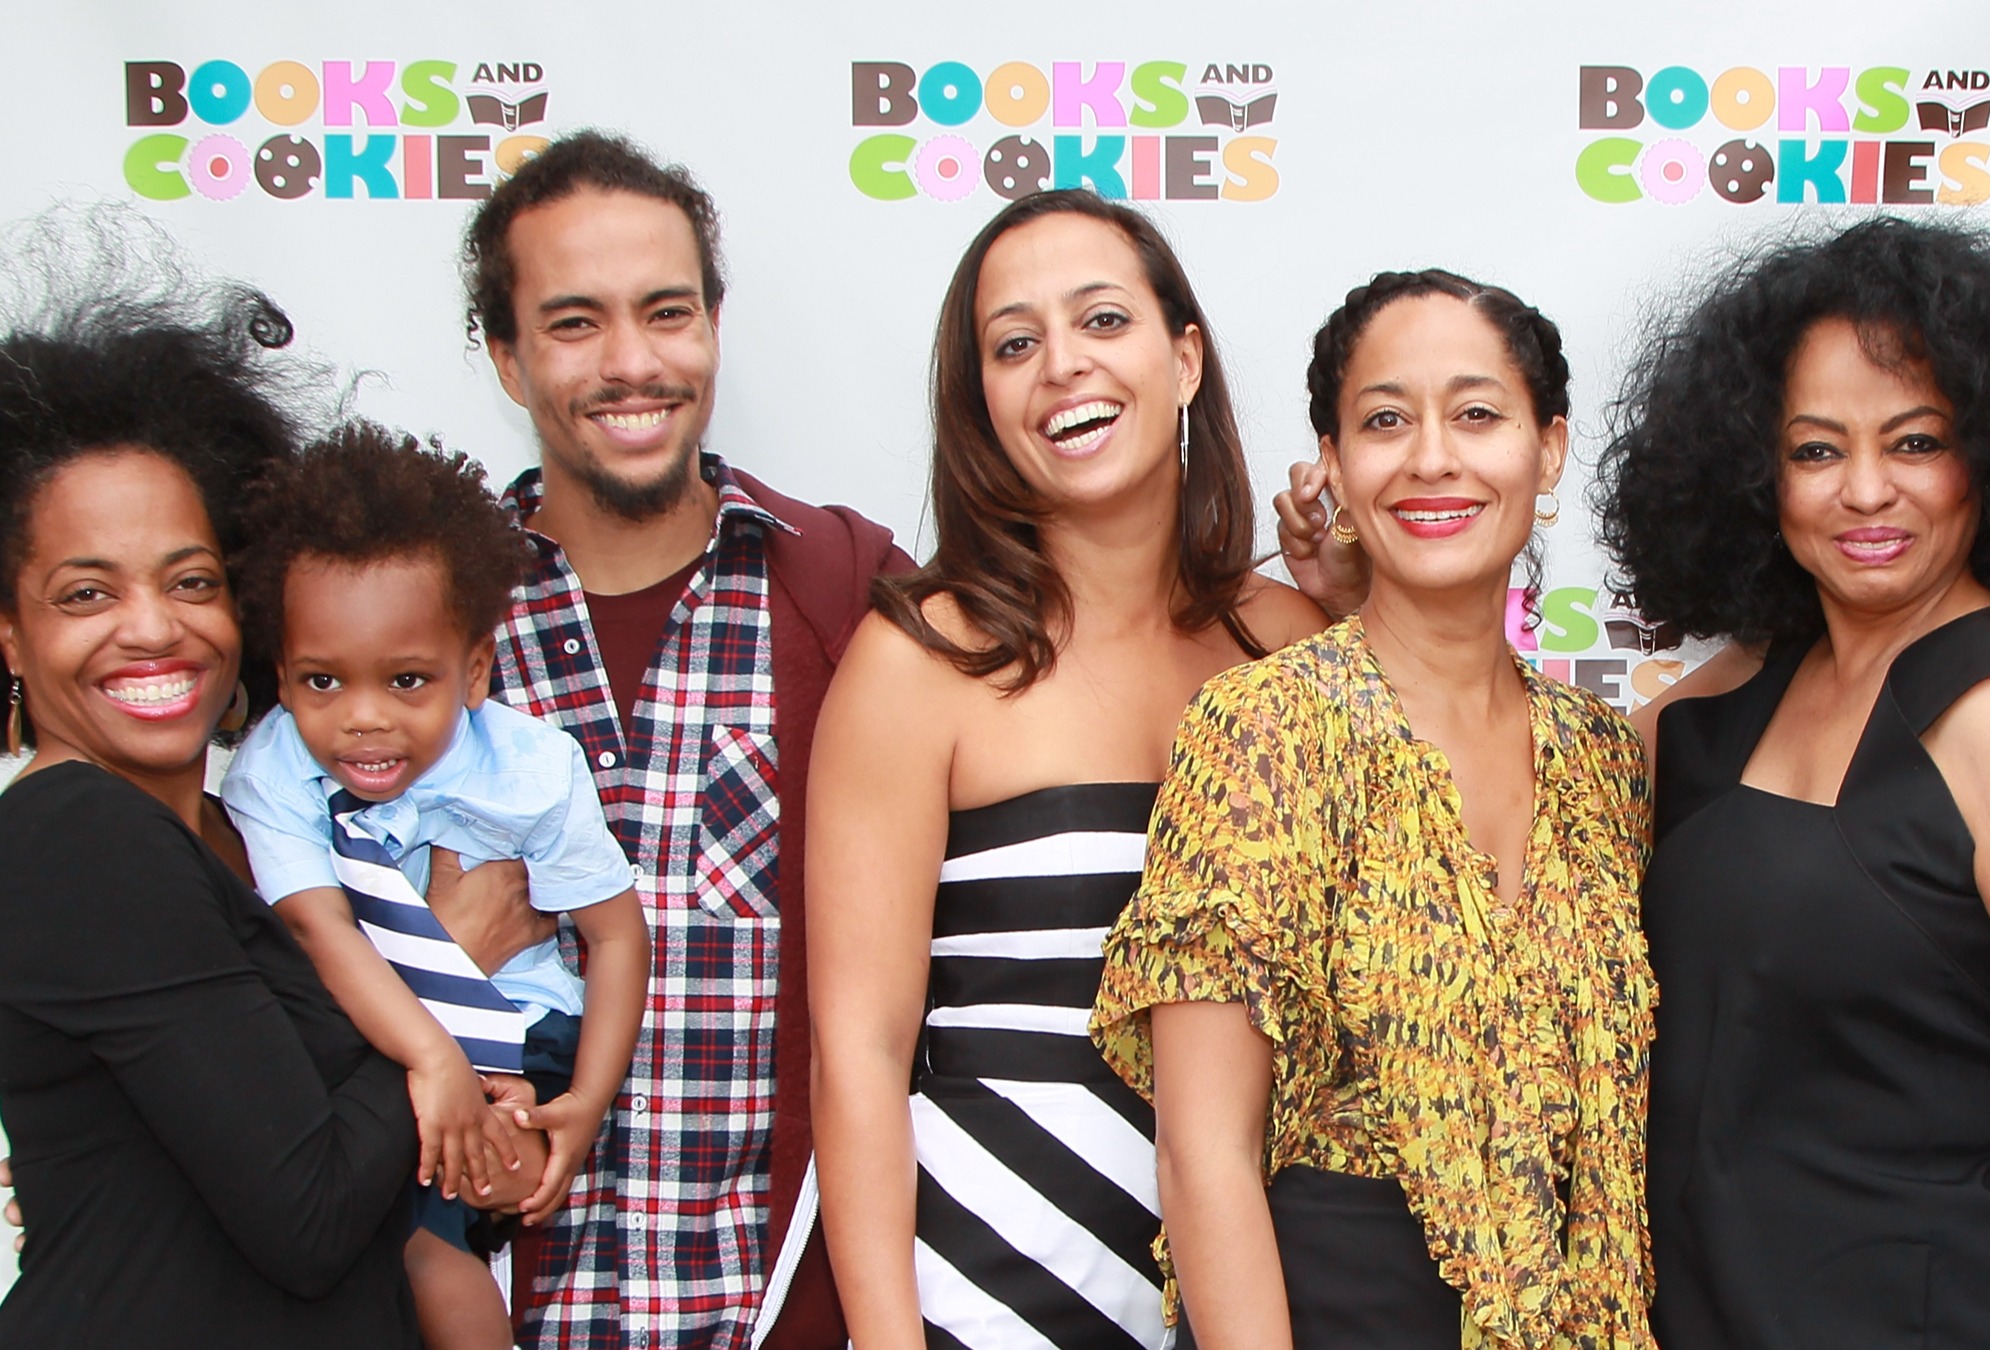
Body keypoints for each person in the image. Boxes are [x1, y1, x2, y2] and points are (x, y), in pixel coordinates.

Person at [1594, 217, 1990, 1348]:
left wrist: (1945, 1191)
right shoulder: (1759, 677)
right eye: (1816, 450)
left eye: (1916, 442)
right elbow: (1542, 774)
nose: (1865, 491)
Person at [1094, 270, 1656, 1350]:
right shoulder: (1265, 727)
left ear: (1547, 450)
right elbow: (1202, 1153)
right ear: (1338, 468)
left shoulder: (1598, 758)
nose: (1433, 456)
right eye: (1386, 420)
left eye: (1478, 414)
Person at [808, 188, 1322, 1350]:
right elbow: (861, 1054)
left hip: (1263, 1289)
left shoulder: (1289, 646)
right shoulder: (921, 659)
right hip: (987, 1291)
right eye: (1014, 343)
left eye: (1101, 321)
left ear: (1183, 357)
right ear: (982, 400)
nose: (1061, 368)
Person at [459, 129, 910, 1350]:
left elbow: (1079, 693)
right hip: (496, 1309)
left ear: (714, 325)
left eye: (667, 312)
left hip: (777, 1312)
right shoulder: (425, 620)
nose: (632, 363)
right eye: (573, 324)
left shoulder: (843, 586)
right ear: (504, 357)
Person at [0, 237, 421, 1345]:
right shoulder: (80, 835)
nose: (153, 627)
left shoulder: (244, 833)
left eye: (191, 581)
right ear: (9, 631)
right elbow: (311, 1211)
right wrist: (453, 975)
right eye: (85, 592)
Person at [217, 424, 653, 1350]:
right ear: (281, 673)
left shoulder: (529, 771)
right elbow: (321, 933)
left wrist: (588, 1100)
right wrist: (432, 1060)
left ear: (478, 670)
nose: (364, 720)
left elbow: (616, 935)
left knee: (429, 1237)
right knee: (374, 1238)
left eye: (408, 680)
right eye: (321, 680)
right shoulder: (273, 774)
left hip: (525, 1030)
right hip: (383, 1047)